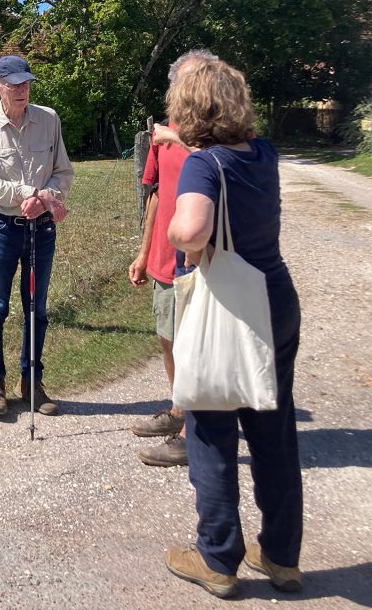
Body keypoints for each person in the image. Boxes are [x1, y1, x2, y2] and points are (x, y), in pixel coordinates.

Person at [163, 62, 303, 598]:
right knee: (274, 427)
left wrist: (178, 231)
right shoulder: (262, 154)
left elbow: (193, 230)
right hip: (276, 299)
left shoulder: (204, 166)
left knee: (211, 428)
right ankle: (283, 557)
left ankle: (218, 558)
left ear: (190, 107)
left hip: (228, 306)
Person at [128, 50, 218, 466]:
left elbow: (218, 161)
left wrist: (173, 137)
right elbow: (157, 195)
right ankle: (180, 410)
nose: (187, 89)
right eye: (182, 82)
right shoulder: (165, 134)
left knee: (195, 345)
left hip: (204, 261)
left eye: (196, 80)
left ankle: (192, 434)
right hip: (166, 257)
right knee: (168, 339)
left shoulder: (222, 132)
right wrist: (144, 253)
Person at [0, 55, 74, 418]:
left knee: (37, 308)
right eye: (12, 84)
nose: (21, 89)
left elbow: (63, 172)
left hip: (41, 229)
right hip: (2, 228)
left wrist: (47, 198)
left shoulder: (48, 119)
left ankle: (31, 381)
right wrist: (35, 194)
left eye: (25, 82)